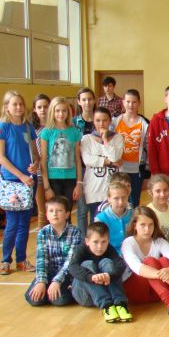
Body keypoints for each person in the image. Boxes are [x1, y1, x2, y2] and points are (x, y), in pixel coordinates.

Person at [121, 206, 169, 321]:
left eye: (150, 225)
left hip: (157, 293)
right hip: (137, 291)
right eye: (143, 225)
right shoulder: (128, 243)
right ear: (134, 225)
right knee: (149, 261)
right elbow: (137, 267)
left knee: (165, 261)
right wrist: (167, 278)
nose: (147, 229)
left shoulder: (159, 241)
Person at [0, 90, 39, 275]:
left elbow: (35, 153)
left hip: (29, 181)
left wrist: (35, 164)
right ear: (7, 107)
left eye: (21, 104)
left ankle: (21, 259)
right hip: (12, 181)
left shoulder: (28, 127)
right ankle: (6, 260)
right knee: (12, 223)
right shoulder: (2, 128)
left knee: (24, 223)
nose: (19, 107)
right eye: (14, 104)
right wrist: (21, 176)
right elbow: (1, 157)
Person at [69, 221, 130, 323]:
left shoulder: (109, 249)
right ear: (87, 241)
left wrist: (109, 276)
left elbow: (121, 264)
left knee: (107, 262)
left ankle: (120, 304)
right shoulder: (81, 249)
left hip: (106, 293)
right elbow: (72, 267)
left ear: (108, 241)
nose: (100, 246)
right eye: (95, 242)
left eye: (103, 242)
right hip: (85, 296)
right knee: (87, 264)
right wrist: (91, 277)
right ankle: (106, 306)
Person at [25, 196, 81, 305]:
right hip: (49, 273)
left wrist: (57, 281)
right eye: (51, 211)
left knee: (59, 300)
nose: (55, 214)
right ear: (46, 215)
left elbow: (70, 262)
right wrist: (41, 281)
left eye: (59, 210)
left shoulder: (75, 232)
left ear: (67, 214)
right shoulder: (43, 232)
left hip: (66, 275)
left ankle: (64, 290)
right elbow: (41, 259)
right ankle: (47, 290)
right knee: (34, 299)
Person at [39, 95, 82, 208]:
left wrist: (79, 183)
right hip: (53, 179)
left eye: (64, 111)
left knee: (67, 210)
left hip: (70, 178)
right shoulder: (47, 132)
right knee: (56, 209)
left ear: (68, 112)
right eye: (57, 111)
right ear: (52, 112)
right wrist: (47, 187)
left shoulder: (74, 132)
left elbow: (77, 159)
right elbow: (43, 160)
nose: (61, 114)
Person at [81, 106, 124, 220]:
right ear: (93, 121)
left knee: (114, 219)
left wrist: (105, 140)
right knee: (96, 220)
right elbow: (87, 160)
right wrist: (108, 161)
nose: (101, 124)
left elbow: (115, 157)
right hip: (94, 188)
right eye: (98, 120)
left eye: (105, 120)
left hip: (114, 187)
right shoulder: (86, 139)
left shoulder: (118, 137)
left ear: (110, 121)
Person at [111, 88, 148, 209]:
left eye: (134, 102)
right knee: (119, 198)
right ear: (123, 102)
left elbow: (148, 147)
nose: (130, 105)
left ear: (139, 103)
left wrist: (148, 171)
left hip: (136, 168)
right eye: (128, 101)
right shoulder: (115, 121)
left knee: (134, 200)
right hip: (119, 167)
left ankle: (133, 221)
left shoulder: (144, 123)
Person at [73, 87, 96, 235]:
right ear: (79, 102)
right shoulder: (73, 122)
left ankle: (94, 238)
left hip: (96, 169)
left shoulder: (99, 119)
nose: (87, 102)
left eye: (90, 99)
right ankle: (83, 241)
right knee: (82, 209)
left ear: (94, 100)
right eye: (84, 100)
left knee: (95, 207)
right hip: (80, 168)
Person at [94, 180, 133, 254]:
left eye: (124, 197)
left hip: (131, 253)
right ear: (109, 199)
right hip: (109, 255)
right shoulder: (100, 219)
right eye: (116, 198)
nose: (120, 202)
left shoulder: (133, 215)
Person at [31, 93, 50, 230]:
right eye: (39, 107)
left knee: (57, 210)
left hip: (54, 173)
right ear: (34, 109)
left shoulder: (55, 127)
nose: (43, 110)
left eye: (45, 106)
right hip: (39, 175)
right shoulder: (32, 129)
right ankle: (42, 241)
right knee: (43, 213)